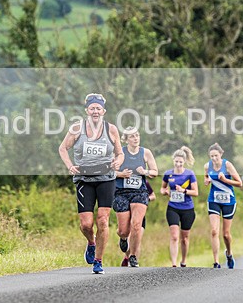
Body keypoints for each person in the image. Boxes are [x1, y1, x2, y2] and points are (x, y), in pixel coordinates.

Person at [58, 93, 123, 274]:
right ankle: (91, 242)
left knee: (102, 220)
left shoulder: (111, 130)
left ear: (104, 111)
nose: (95, 111)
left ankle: (98, 261)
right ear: (87, 110)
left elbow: (120, 153)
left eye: (98, 108)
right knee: (86, 224)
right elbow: (63, 148)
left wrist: (118, 161)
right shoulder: (77, 129)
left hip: (106, 179)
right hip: (84, 180)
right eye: (92, 108)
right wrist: (70, 165)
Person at [113, 127, 158, 268]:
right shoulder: (120, 153)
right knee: (123, 230)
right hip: (121, 192)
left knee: (137, 225)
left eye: (137, 135)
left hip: (140, 192)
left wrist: (144, 171)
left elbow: (155, 172)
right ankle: (123, 238)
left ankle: (132, 256)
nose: (135, 138)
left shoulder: (146, 153)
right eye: (132, 136)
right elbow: (109, 171)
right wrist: (121, 174)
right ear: (126, 139)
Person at [204, 143, 243, 269]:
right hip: (213, 199)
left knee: (226, 234)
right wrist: (207, 180)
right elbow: (206, 177)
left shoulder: (227, 165)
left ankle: (229, 253)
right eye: (211, 156)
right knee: (214, 231)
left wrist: (225, 180)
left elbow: (239, 183)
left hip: (228, 200)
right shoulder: (207, 166)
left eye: (216, 156)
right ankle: (216, 262)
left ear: (221, 154)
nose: (214, 158)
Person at [161, 146, 198, 268]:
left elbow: (195, 192)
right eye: (176, 161)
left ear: (184, 162)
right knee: (174, 236)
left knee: (185, 238)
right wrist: (165, 191)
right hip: (173, 208)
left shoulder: (189, 174)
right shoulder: (168, 174)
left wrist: (183, 190)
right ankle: (174, 264)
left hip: (187, 208)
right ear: (173, 161)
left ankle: (183, 261)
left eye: (180, 162)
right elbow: (162, 188)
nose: (178, 164)